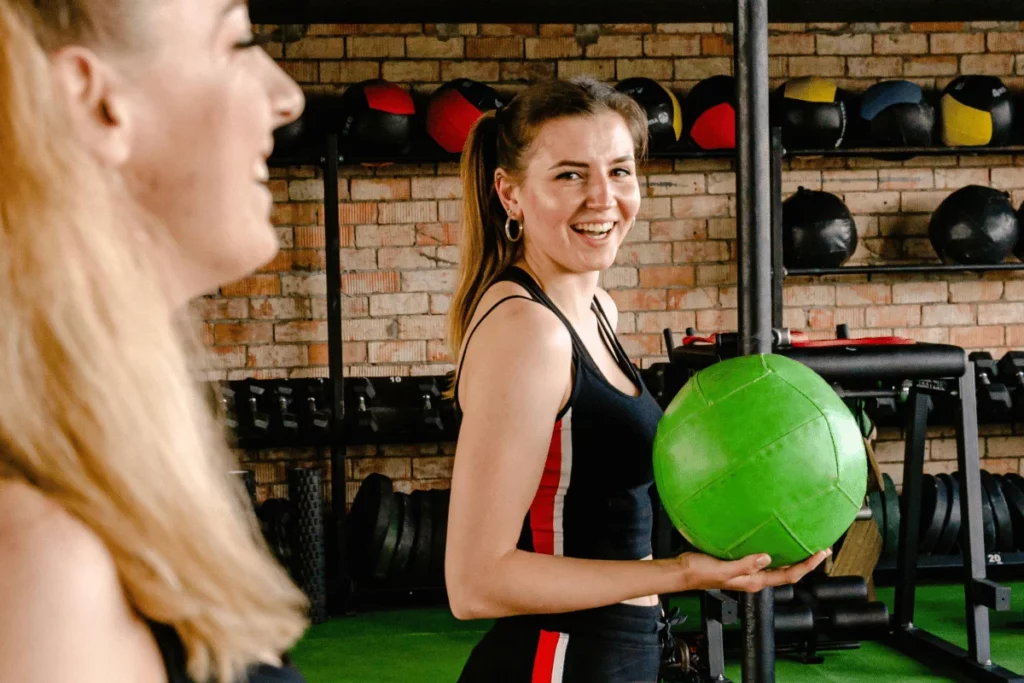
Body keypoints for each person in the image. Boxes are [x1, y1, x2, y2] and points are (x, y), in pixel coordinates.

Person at [445, 77, 830, 682]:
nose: (603, 198)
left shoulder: (597, 310)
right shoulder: (528, 333)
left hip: (622, 649)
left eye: (620, 171)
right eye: (570, 175)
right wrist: (679, 573)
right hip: (557, 659)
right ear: (510, 194)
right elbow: (476, 582)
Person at [0, 1, 311, 682]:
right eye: (238, 42)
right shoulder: (39, 564)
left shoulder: (113, 464)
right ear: (96, 104)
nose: (287, 97)